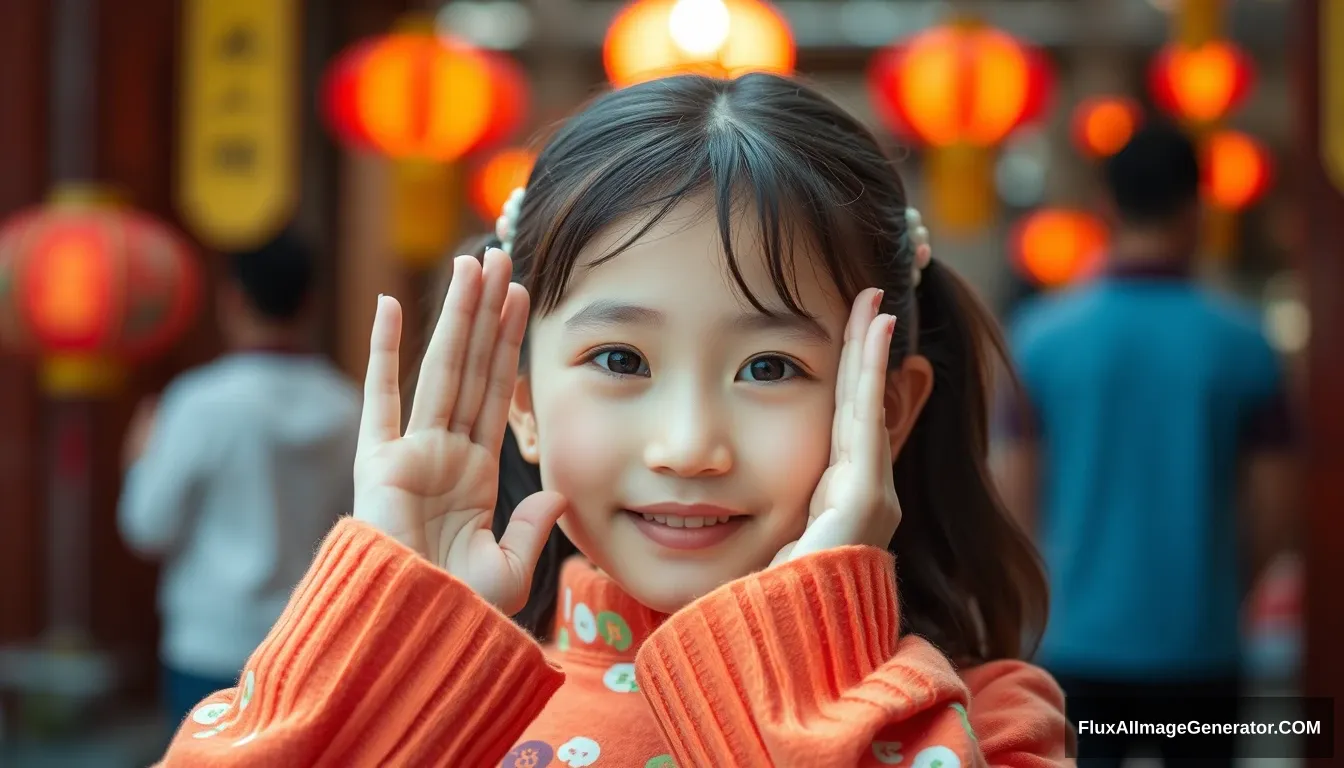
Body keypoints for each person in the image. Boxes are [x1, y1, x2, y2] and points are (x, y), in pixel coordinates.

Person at [155, 73, 1067, 767]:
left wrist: (809, 659)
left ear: (888, 413)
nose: (688, 447)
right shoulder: (434, 711)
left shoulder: (990, 725)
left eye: (769, 367)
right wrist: (390, 638)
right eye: (621, 360)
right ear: (524, 402)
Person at [996, 122, 1299, 766]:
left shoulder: (1041, 338)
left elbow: (1016, 492)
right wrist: (1223, 584)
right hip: (1202, 644)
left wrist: (1061, 587)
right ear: (1197, 209)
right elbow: (1277, 501)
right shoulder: (1245, 342)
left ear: (1105, 207)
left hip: (1078, 643)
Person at [118, 232, 361, 727]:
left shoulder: (201, 402)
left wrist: (139, 462)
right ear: (310, 303)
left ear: (233, 300)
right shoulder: (349, 407)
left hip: (209, 642)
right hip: (307, 639)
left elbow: (147, 527)